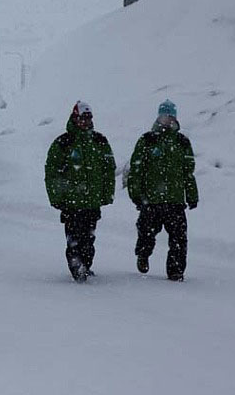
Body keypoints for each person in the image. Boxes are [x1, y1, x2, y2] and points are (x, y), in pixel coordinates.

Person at [45, 101, 115, 282]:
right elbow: (52, 172)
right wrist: (57, 196)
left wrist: (107, 194)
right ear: (75, 118)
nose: (86, 122)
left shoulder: (99, 141)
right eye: (82, 118)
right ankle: (77, 266)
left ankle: (86, 264)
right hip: (71, 202)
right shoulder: (64, 142)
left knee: (89, 239)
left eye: (88, 118)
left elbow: (108, 169)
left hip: (92, 201)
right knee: (74, 238)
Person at [128, 100, 198, 281]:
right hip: (151, 201)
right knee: (146, 234)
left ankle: (175, 270)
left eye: (170, 116)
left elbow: (188, 172)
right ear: (159, 117)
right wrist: (136, 194)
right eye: (164, 116)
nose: (167, 119)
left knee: (179, 238)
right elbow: (136, 170)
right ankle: (143, 255)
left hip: (175, 201)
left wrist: (192, 195)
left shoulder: (182, 142)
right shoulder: (147, 140)